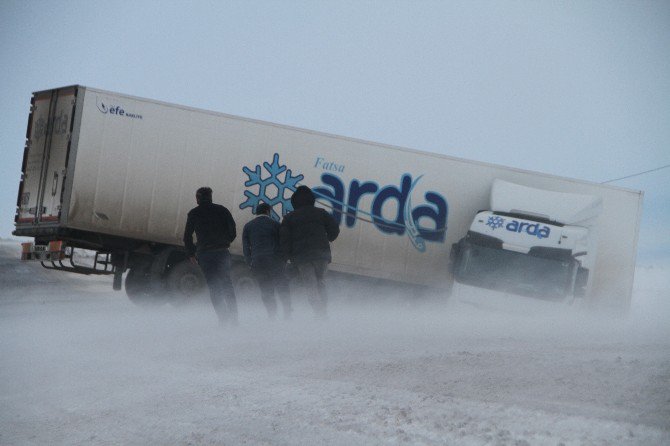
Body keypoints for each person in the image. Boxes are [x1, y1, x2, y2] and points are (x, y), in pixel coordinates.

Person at [280, 185, 339, 318]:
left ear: (295, 202)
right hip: (321, 256)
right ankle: (323, 311)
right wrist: (328, 238)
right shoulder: (321, 213)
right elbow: (334, 229)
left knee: (310, 286)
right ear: (311, 199)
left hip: (302, 258)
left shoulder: (289, 218)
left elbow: (284, 240)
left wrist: (287, 257)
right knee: (321, 282)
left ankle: (319, 313)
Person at [183, 187, 238, 325]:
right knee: (227, 284)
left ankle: (223, 318)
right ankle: (234, 318)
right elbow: (233, 231)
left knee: (214, 286)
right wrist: (225, 242)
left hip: (205, 255)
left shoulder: (194, 213)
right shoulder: (222, 210)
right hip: (222, 252)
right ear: (211, 197)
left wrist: (191, 253)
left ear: (198, 198)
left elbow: (187, 236)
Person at [242, 203, 292, 320]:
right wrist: (283, 259)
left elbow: (246, 247)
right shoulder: (275, 224)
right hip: (274, 261)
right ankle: (287, 312)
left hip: (258, 262)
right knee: (282, 287)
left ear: (257, 212)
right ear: (268, 211)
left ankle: (271, 314)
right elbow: (282, 243)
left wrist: (250, 261)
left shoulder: (248, 226)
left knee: (266, 289)